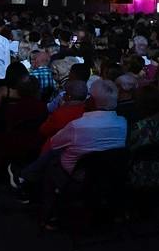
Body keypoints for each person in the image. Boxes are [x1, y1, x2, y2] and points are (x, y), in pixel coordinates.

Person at [13, 76, 128, 229]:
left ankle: (48, 214)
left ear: (92, 101)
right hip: (110, 174)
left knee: (52, 161)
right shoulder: (123, 123)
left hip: (78, 177)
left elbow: (54, 143)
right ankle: (26, 180)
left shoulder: (77, 126)